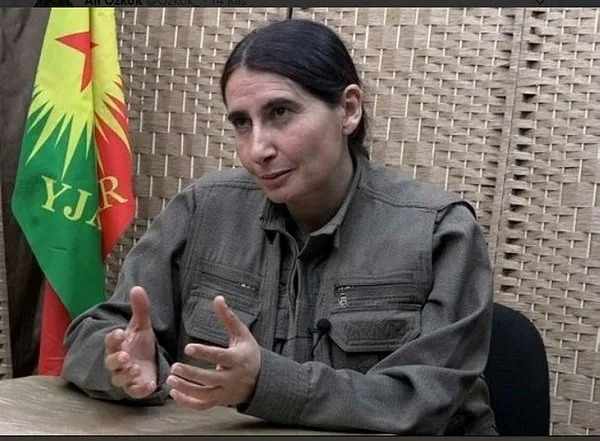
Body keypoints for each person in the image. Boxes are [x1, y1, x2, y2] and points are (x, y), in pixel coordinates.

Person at [61, 18, 497, 435]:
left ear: (348, 110)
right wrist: (124, 366)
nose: (258, 149)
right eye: (241, 123)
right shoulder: (203, 210)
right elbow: (91, 337)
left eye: (281, 112)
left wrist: (266, 383)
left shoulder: (439, 230)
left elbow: (424, 399)